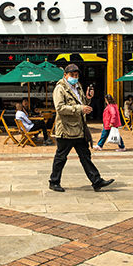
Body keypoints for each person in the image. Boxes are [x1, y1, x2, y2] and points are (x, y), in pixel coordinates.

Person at [48, 63, 114, 193]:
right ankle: (54, 181)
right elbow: (60, 108)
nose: (74, 77)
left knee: (85, 156)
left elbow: (82, 104)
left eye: (76, 75)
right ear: (65, 75)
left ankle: (96, 181)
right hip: (66, 130)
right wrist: (80, 108)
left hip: (79, 129)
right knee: (61, 157)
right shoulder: (60, 89)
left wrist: (88, 99)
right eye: (72, 75)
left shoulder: (78, 87)